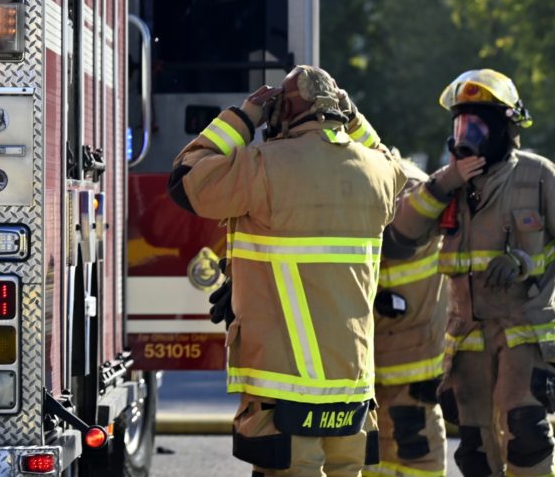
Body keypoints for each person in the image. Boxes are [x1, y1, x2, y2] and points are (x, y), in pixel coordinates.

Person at [168, 65, 405, 477]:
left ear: (283, 112)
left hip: (284, 383)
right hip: (352, 380)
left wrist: (242, 117)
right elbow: (393, 165)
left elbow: (185, 178)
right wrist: (355, 120)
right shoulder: (378, 171)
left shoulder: (264, 165)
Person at [392, 69, 555, 477]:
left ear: (505, 129)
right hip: (469, 339)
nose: (467, 137)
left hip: (527, 330)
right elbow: (402, 233)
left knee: (525, 432)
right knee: (476, 451)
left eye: (477, 127)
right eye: (461, 126)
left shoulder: (538, 177)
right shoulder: (449, 186)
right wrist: (446, 181)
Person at [364, 154, 449, 477]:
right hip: (379, 353)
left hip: (412, 356)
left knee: (416, 447)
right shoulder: (379, 181)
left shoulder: (408, 189)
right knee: (375, 450)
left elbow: (397, 241)